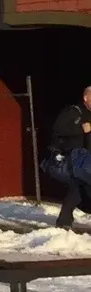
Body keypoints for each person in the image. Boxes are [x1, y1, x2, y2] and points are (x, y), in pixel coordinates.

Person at [50, 86, 91, 228]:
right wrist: (80, 129)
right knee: (80, 186)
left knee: (77, 189)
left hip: (86, 158)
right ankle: (64, 221)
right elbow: (58, 128)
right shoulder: (73, 112)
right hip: (74, 157)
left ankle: (64, 221)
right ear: (85, 98)